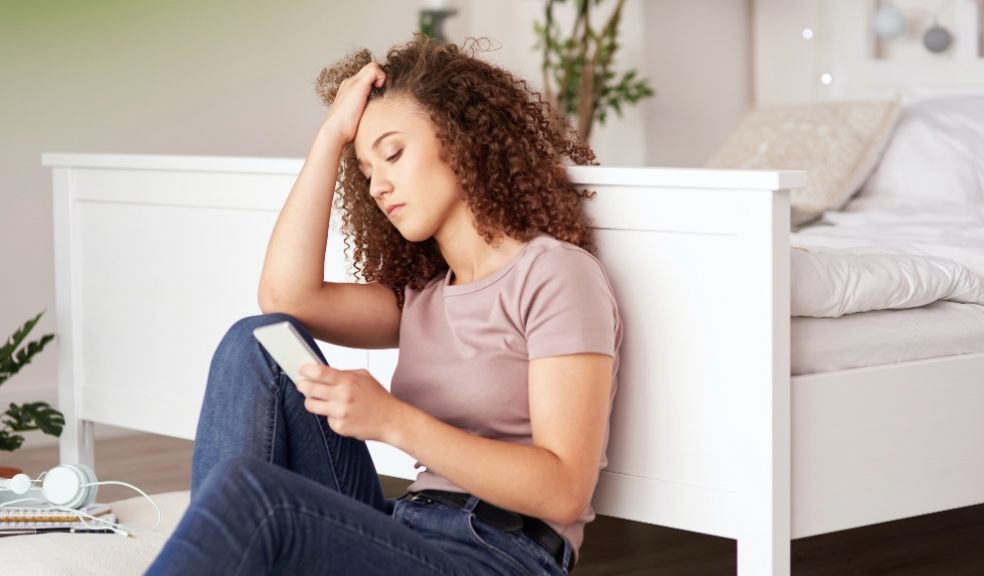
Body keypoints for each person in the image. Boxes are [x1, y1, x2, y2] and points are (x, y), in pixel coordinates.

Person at [146, 36, 621, 576]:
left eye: (393, 154)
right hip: (403, 528)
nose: (379, 187)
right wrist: (330, 138)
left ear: (460, 140)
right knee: (257, 341)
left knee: (256, 495)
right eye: (368, 173)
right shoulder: (422, 297)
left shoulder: (554, 273)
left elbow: (563, 491)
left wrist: (393, 422)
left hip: (495, 553)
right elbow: (284, 298)